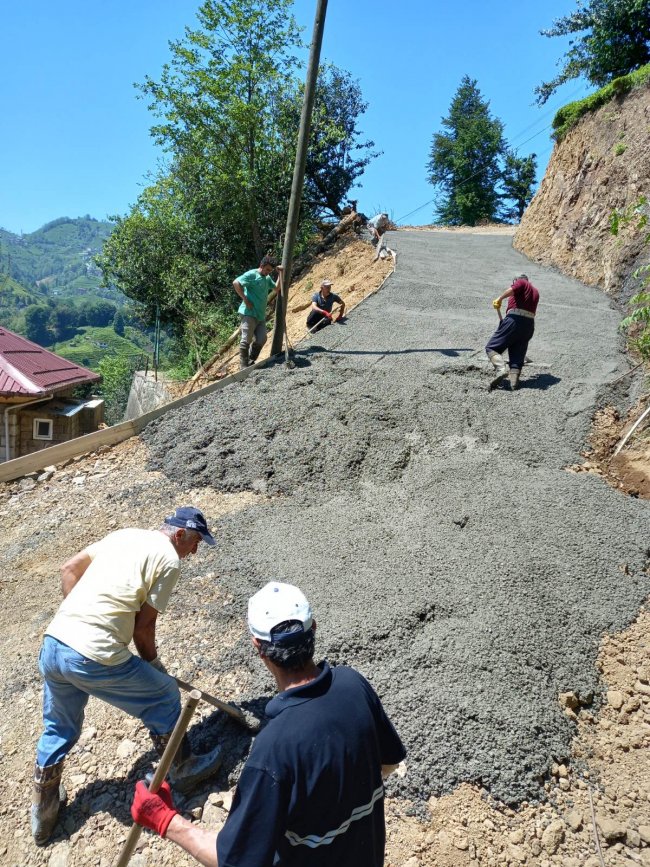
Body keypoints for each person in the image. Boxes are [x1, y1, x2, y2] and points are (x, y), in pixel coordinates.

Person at [131, 581, 406, 867]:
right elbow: (388, 765)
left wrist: (165, 820)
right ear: (313, 629)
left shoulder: (273, 748)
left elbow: (236, 861)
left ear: (258, 647)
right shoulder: (354, 684)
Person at [31, 507, 223, 846]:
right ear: (179, 535)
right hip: (92, 654)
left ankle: (43, 811)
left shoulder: (126, 534)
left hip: (54, 645)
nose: (194, 551)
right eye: (194, 543)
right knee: (164, 694)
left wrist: (81, 623)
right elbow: (143, 628)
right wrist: (154, 665)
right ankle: (182, 768)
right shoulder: (168, 558)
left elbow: (69, 569)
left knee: (59, 727)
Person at [485, 274, 540, 391]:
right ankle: (514, 384)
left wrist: (499, 299)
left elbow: (513, 289)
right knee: (517, 354)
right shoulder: (535, 291)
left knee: (492, 347)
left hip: (515, 319)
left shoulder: (521, 282)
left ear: (517, 280)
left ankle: (501, 369)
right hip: (529, 325)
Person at [233, 256, 284, 369]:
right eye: (267, 270)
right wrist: (245, 300)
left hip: (260, 315)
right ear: (261, 266)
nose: (268, 272)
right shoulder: (252, 274)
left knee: (262, 338)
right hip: (249, 312)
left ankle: (251, 360)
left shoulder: (266, 278)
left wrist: (280, 274)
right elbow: (236, 283)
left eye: (270, 270)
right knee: (246, 339)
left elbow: (276, 288)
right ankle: (243, 366)